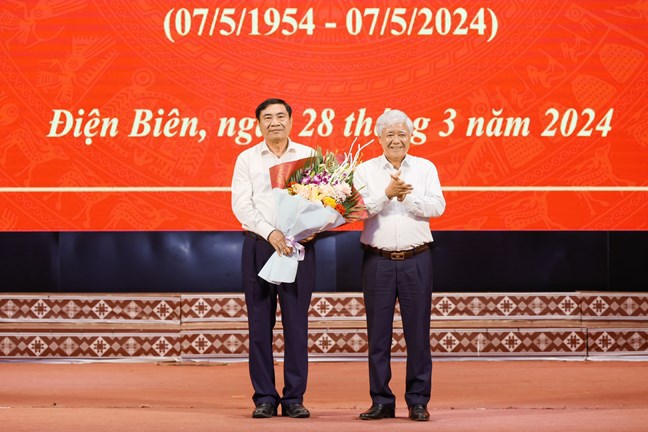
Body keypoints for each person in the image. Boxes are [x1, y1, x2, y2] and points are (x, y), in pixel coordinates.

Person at [353, 109, 446, 421]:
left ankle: (418, 401)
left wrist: (408, 199)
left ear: (411, 136)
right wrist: (387, 194)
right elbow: (359, 211)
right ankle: (381, 400)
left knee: (418, 335)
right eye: (389, 134)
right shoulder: (364, 170)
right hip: (377, 261)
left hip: (416, 259)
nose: (396, 139)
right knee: (378, 336)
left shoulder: (425, 168)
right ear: (379, 138)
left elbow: (438, 206)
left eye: (401, 134)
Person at [231, 98, 315, 419]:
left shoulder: (308, 156)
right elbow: (242, 206)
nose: (275, 122)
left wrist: (311, 227)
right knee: (259, 324)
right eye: (268, 117)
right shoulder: (247, 159)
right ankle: (265, 396)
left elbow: (323, 200)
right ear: (259, 124)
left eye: (281, 116)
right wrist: (271, 233)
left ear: (292, 121)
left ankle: (294, 397)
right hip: (260, 246)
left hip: (297, 247)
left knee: (296, 324)